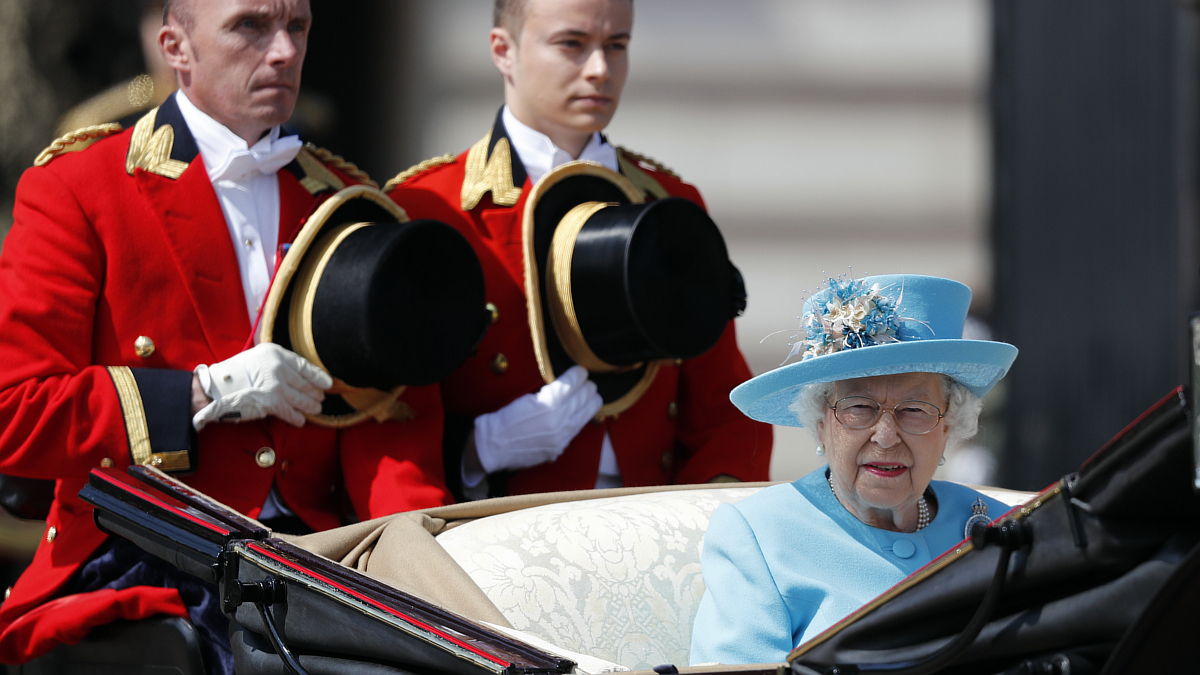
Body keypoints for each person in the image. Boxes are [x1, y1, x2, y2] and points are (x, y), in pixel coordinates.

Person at [0, 0, 450, 671]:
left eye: (297, 27)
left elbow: (390, 424)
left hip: (314, 564)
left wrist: (423, 577)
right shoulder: (78, 186)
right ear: (175, 47)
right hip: (140, 556)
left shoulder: (349, 203)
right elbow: (17, 410)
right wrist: (203, 391)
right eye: (250, 27)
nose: (283, 52)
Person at [385, 0, 771, 499]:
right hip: (493, 536)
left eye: (617, 45)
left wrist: (712, 524)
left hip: (652, 528)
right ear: (504, 50)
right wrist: (478, 448)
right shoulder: (430, 206)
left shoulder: (669, 201)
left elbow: (724, 404)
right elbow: (391, 423)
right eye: (572, 44)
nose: (600, 70)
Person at [689, 274, 1019, 665]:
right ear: (820, 424)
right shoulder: (759, 536)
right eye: (859, 407)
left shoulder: (1001, 526)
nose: (885, 436)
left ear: (947, 427)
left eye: (914, 410)